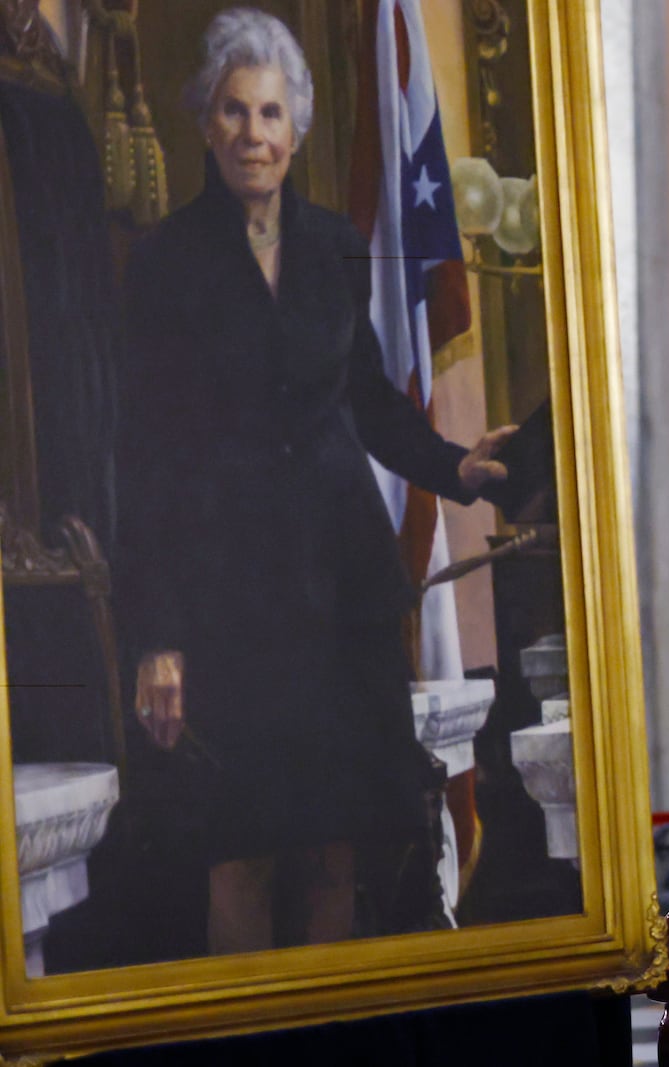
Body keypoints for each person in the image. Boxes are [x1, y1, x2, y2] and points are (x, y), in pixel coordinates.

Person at [115, 8, 518, 955]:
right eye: (233, 112)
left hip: (343, 592)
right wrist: (158, 637)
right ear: (206, 125)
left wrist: (455, 469)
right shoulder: (165, 264)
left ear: (295, 129)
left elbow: (371, 403)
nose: (253, 133)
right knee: (241, 853)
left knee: (339, 849)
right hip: (229, 604)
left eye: (269, 113)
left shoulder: (338, 242)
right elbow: (146, 459)